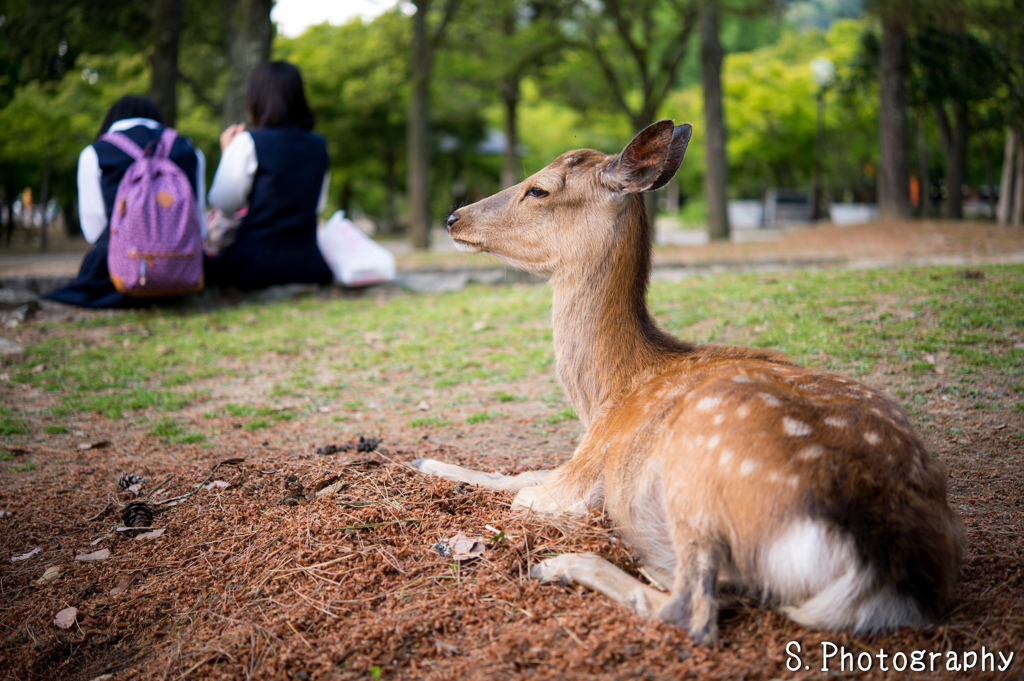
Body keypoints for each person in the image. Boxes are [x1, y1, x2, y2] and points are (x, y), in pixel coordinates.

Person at [45, 96, 206, 308]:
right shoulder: (190, 150)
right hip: (184, 274)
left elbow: (94, 231)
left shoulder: (96, 152)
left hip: (112, 280)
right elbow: (200, 228)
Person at [205, 60, 333, 290]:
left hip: (255, 263)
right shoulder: (319, 145)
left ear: (256, 98)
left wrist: (229, 154)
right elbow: (318, 205)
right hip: (308, 263)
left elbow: (224, 202)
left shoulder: (248, 142)